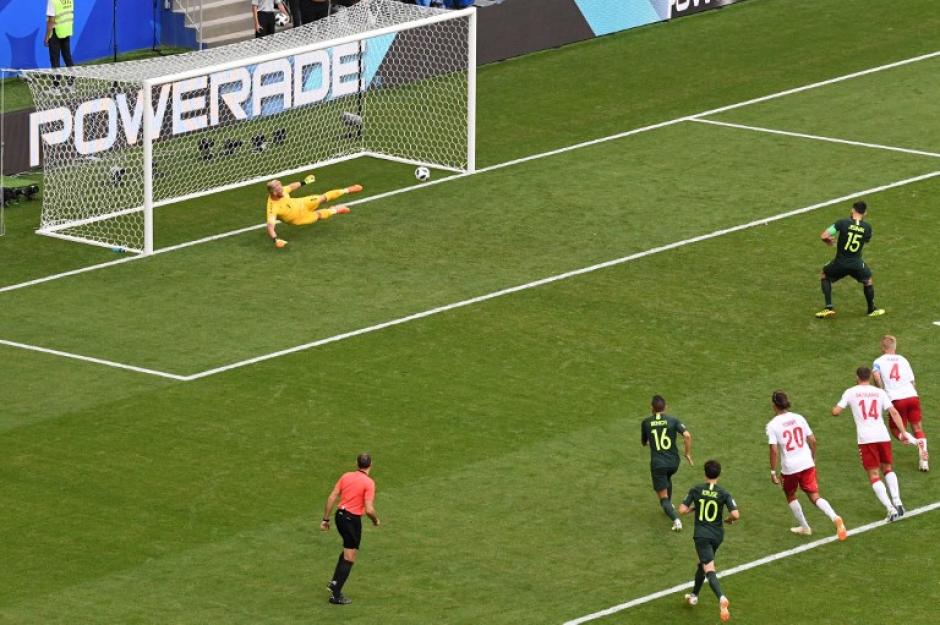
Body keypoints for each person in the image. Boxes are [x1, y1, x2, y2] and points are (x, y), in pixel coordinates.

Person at [832, 367, 919, 521]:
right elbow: (893, 412)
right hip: (883, 436)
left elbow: (836, 411)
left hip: (866, 439)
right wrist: (904, 433)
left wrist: (836, 408)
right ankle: (898, 502)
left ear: (857, 377)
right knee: (888, 469)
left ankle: (890, 509)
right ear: (870, 377)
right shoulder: (880, 392)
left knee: (874, 474)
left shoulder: (851, 392)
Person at [766, 390, 847, 539]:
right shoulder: (799, 418)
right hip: (807, 463)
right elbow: (813, 440)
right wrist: (813, 457)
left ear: (774, 406)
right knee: (815, 496)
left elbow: (773, 449)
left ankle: (805, 527)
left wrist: (772, 471)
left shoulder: (772, 425)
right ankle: (835, 517)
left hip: (790, 468)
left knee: (790, 494)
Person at [678, 460, 738, 623]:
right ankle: (694, 595)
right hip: (717, 535)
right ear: (719, 474)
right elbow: (736, 514)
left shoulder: (697, 489)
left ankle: (721, 597)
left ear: (705, 473)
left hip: (702, 536)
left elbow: (682, 510)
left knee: (709, 568)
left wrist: (693, 509)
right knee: (701, 563)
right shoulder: (724, 493)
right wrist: (728, 519)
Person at [321, 453, 380, 605]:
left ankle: (335, 581)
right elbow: (369, 509)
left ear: (356, 463)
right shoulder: (369, 483)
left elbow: (332, 496)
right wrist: (375, 520)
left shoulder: (346, 476)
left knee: (348, 550)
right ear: (371, 464)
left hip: (339, 516)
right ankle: (336, 594)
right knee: (350, 556)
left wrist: (325, 519)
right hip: (351, 520)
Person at [815, 200, 884, 318]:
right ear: (865, 213)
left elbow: (824, 235)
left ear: (852, 210)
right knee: (868, 281)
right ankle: (871, 310)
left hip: (840, 262)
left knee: (824, 275)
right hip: (856, 264)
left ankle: (828, 307)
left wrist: (828, 241)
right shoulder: (868, 228)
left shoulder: (842, 222)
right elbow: (866, 239)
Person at [873, 335, 929, 471]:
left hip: (896, 399)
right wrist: (914, 395)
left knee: (895, 430)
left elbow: (876, 376)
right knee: (918, 428)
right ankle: (924, 460)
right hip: (912, 396)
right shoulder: (903, 360)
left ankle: (915, 443)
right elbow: (912, 381)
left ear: (882, 348)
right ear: (894, 347)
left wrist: (882, 390)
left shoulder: (878, 361)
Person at [640, 395, 693, 531]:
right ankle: (669, 506)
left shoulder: (646, 422)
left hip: (658, 464)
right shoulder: (673, 420)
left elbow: (645, 442)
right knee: (667, 478)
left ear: (651, 408)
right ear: (666, 408)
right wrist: (687, 453)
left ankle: (676, 521)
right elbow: (687, 435)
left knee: (662, 498)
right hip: (674, 462)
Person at [265, 175, 361, 247]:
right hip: (299, 218)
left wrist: (305, 182)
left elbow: (291, 186)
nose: (283, 190)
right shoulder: (272, 208)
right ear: (274, 193)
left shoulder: (281, 190)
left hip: (301, 203)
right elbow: (270, 227)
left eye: (281, 187)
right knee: (319, 215)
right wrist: (276, 240)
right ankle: (336, 210)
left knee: (321, 197)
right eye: (280, 190)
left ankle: (348, 190)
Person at [45, 0, 75, 90]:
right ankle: (71, 84)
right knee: (67, 57)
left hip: (55, 32)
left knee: (55, 60)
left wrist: (47, 36)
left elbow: (51, 21)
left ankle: (56, 87)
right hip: (66, 30)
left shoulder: (52, 1)